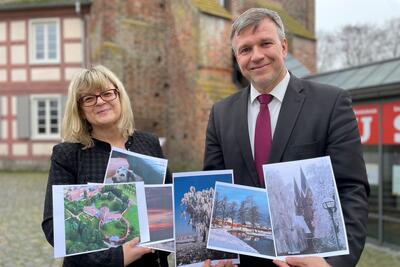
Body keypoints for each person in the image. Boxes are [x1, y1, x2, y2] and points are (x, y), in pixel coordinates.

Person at [203, 8, 369, 267]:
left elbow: (351, 190)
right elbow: (213, 190)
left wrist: (333, 264)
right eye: (245, 50)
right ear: (237, 58)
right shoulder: (221, 113)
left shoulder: (331, 103)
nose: (256, 56)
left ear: (283, 47)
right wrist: (212, 255)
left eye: (265, 43)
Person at [42, 65, 170, 267]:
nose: (100, 101)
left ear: (119, 96)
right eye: (89, 98)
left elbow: (168, 204)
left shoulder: (149, 143)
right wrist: (116, 259)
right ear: (80, 110)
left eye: (107, 93)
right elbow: (54, 227)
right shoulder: (67, 154)